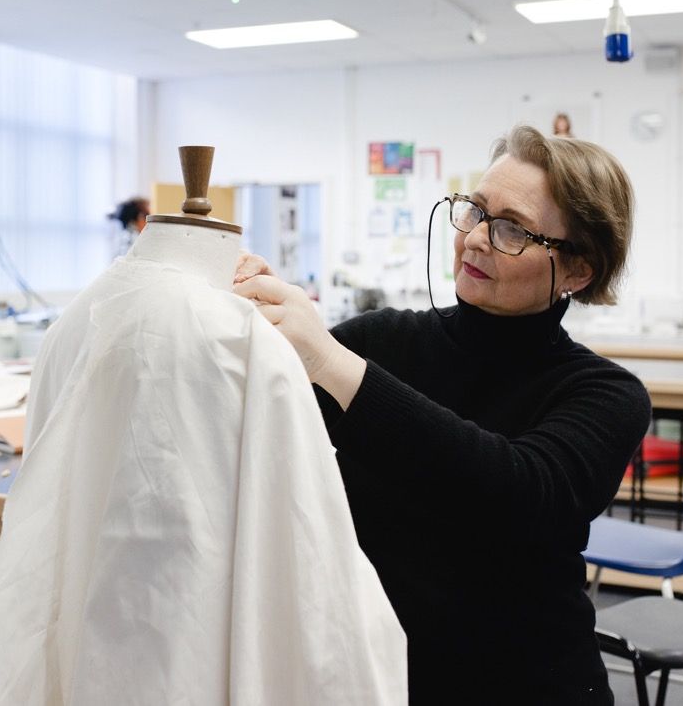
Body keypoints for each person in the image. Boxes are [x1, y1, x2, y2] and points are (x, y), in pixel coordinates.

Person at [234, 125, 650, 704]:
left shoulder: (605, 394)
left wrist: (332, 362)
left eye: (510, 228)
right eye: (474, 211)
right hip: (379, 677)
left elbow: (518, 491)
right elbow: (254, 424)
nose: (475, 239)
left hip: (530, 684)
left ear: (578, 271)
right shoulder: (381, 341)